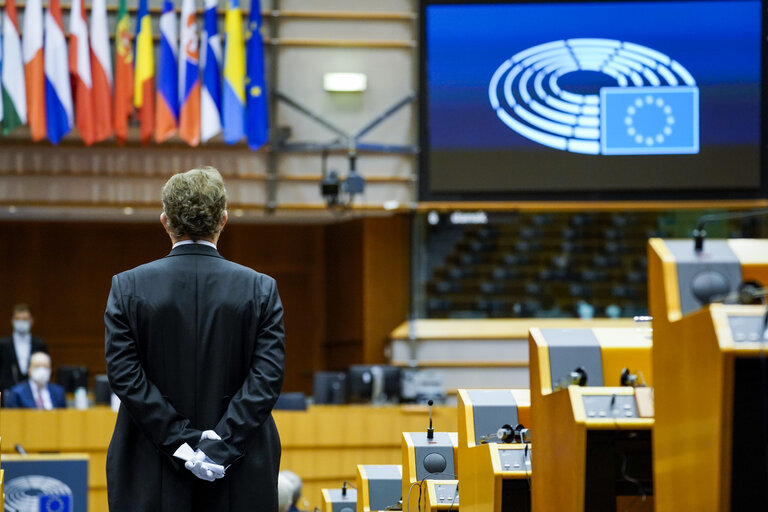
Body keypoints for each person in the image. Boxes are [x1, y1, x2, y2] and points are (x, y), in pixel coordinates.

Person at [104, 167, 286, 512]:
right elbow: (267, 379)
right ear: (223, 220)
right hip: (240, 467)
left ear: (165, 222)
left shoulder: (127, 287)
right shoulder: (261, 289)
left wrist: (182, 442)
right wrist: (221, 446)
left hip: (150, 465)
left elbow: (125, 377)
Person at [0, 304, 49, 397]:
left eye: (25, 319)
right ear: (12, 321)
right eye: (18, 319)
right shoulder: (3, 344)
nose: (21, 322)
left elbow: (45, 367)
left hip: (33, 393)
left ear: (31, 321)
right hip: (7, 392)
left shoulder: (39, 344)